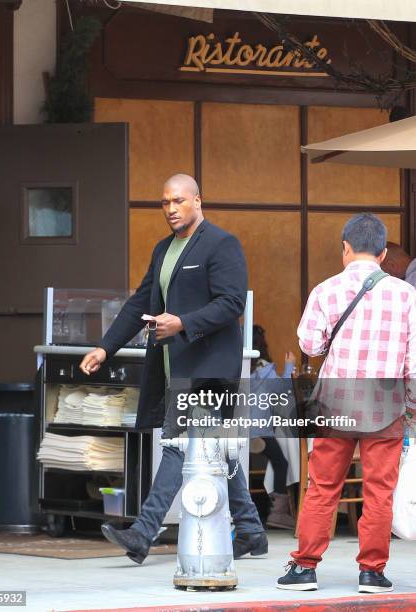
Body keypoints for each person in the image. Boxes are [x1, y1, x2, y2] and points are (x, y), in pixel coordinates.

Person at [80, 173, 267, 564]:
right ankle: (251, 531)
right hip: (174, 368)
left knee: (178, 445)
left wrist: (182, 322)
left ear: (198, 201)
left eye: (179, 201)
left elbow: (232, 303)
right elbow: (138, 304)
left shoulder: (221, 244)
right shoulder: (163, 249)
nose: (171, 209)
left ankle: (142, 533)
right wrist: (105, 347)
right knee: (216, 451)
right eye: (165, 202)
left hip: (211, 368)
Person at [277, 213, 416, 593]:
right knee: (378, 491)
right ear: (384, 252)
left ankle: (305, 567)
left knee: (323, 486)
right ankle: (372, 571)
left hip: (335, 403)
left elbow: (310, 345)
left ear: (345, 248)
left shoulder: (325, 291)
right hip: (385, 406)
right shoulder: (407, 295)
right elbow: (413, 361)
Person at [251, 325, 295, 529]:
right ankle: (278, 513)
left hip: (239, 425)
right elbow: (283, 392)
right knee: (281, 463)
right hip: (260, 428)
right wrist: (289, 367)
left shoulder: (239, 367)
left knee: (239, 467)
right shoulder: (264, 370)